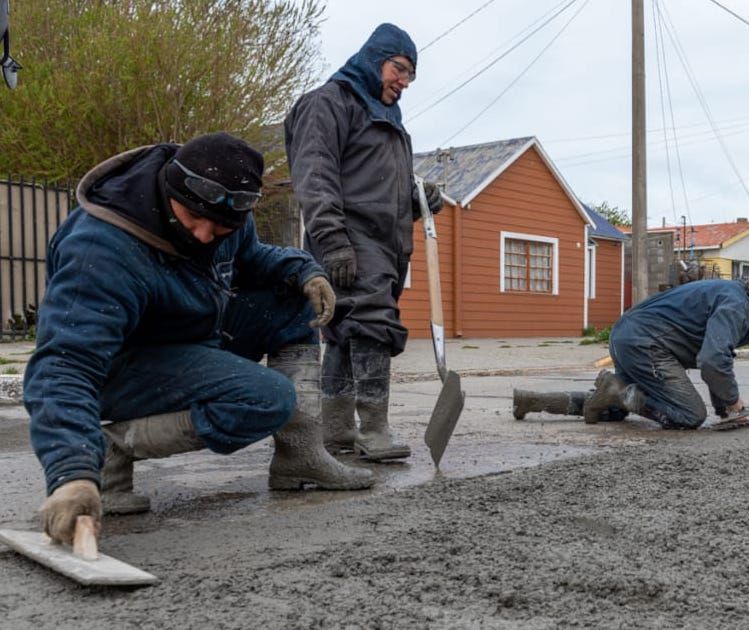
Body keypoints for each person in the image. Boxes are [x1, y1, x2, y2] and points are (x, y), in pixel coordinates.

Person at [26, 132, 375, 547]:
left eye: (222, 227)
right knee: (267, 399)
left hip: (188, 338)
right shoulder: (102, 248)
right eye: (194, 220)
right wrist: (70, 473)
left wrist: (304, 269)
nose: (206, 235)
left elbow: (253, 259)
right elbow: (64, 365)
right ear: (171, 187)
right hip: (117, 369)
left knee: (293, 302)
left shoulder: (225, 218)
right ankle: (108, 449)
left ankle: (300, 456)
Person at [284, 23, 443, 462]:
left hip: (382, 244)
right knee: (372, 325)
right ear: (375, 58)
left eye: (411, 75)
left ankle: (337, 433)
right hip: (348, 239)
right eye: (399, 69)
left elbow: (377, 187)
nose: (404, 82)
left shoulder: (387, 117)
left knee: (346, 333)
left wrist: (417, 200)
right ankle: (374, 433)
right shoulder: (328, 104)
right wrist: (333, 240)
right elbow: (315, 177)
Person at [513, 270, 749, 430]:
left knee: (614, 407)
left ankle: (532, 401)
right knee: (688, 415)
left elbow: (717, 358)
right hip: (646, 344)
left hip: (628, 335)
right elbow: (713, 360)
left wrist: (726, 409)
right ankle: (616, 391)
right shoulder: (736, 304)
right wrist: (734, 403)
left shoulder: (728, 294)